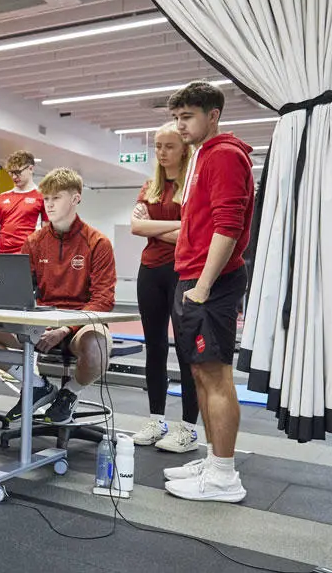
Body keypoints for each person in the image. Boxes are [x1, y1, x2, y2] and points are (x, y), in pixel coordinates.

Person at [0, 168, 116, 424]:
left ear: (76, 198)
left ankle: (69, 393)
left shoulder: (98, 243)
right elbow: (18, 288)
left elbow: (103, 300)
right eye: (47, 199)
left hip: (81, 324)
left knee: (98, 347)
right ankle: (35, 384)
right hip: (41, 322)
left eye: (57, 198)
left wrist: (64, 328)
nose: (50, 205)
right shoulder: (35, 242)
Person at [162, 81, 254, 504]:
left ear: (213, 115)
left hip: (209, 282)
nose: (180, 125)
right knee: (199, 371)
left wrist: (202, 285)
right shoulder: (203, 156)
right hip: (195, 277)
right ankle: (214, 459)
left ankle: (224, 475)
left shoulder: (226, 156)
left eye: (187, 117)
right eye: (177, 117)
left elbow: (228, 226)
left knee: (216, 375)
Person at [127, 123, 199, 452]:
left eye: (168, 146)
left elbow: (194, 233)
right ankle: (156, 419)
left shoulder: (195, 184)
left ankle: (187, 427)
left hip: (183, 270)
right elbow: (136, 227)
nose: (161, 152)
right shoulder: (150, 185)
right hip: (151, 272)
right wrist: (177, 226)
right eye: (157, 146)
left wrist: (153, 228)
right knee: (154, 348)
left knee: (187, 351)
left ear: (184, 148)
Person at [0, 150, 47, 253]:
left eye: (17, 172)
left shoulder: (42, 196)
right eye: (11, 173)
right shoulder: (2, 197)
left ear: (30, 169)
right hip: (3, 254)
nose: (14, 177)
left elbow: (46, 231)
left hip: (28, 254)